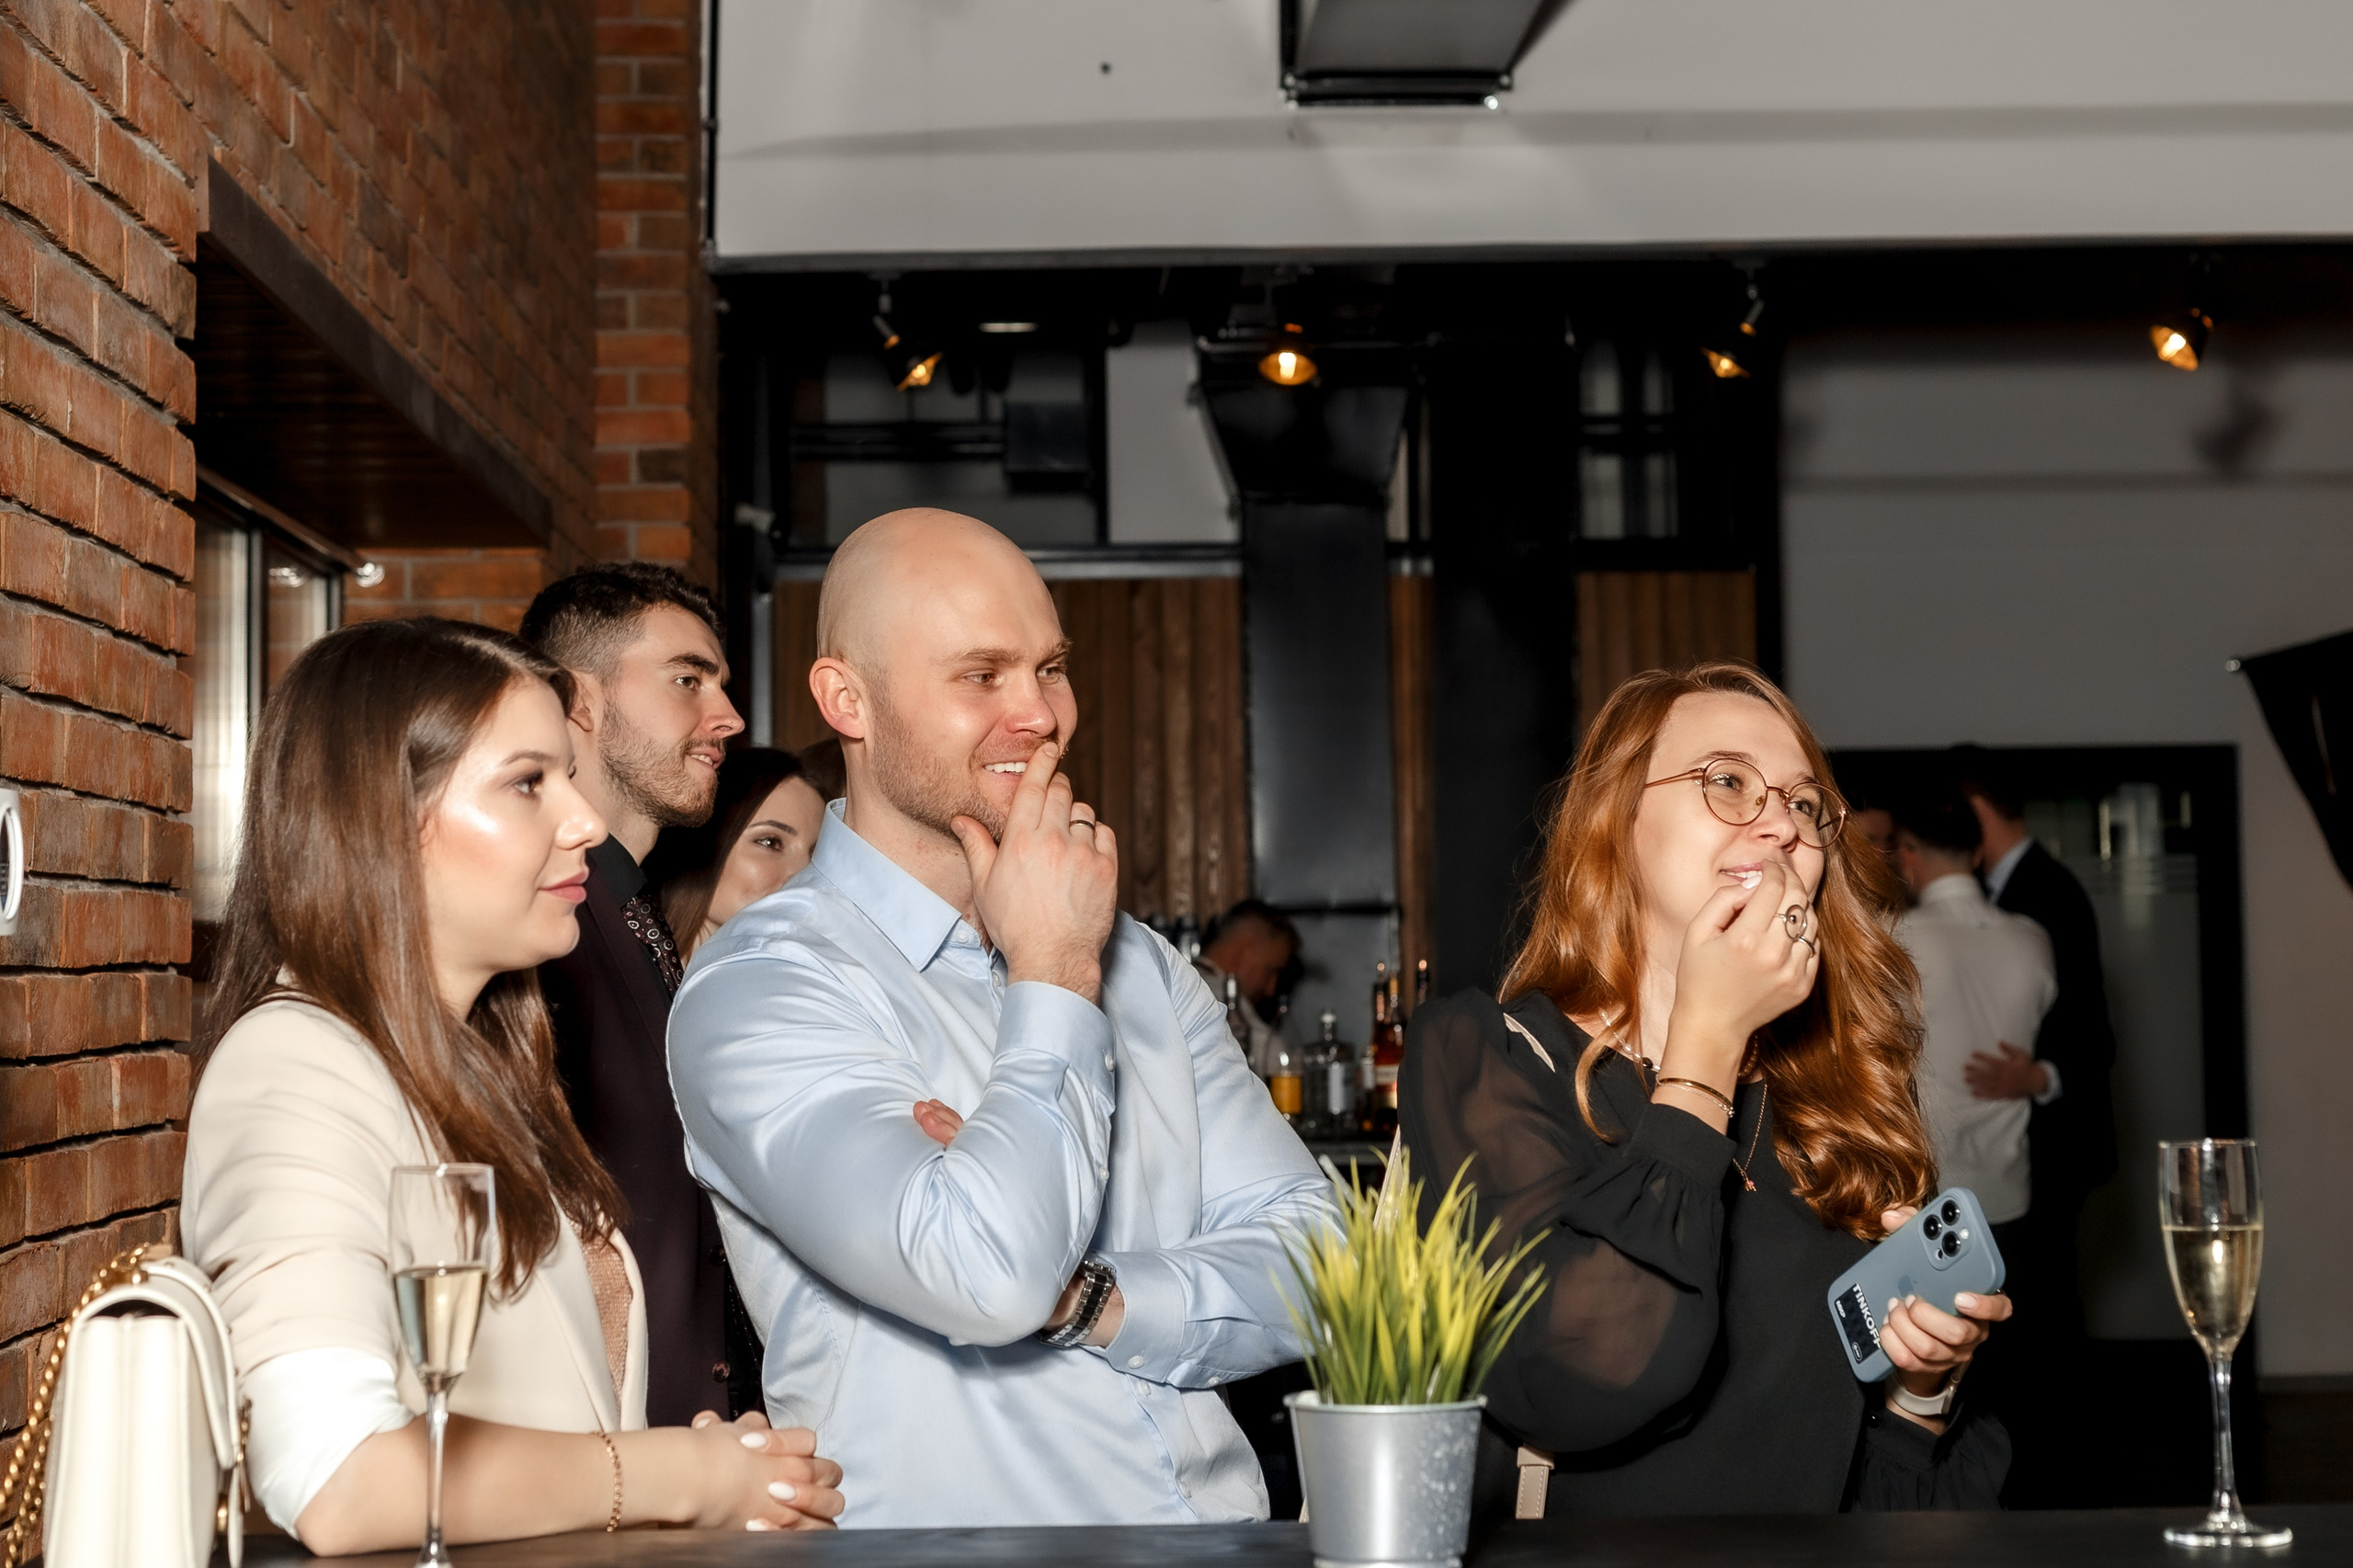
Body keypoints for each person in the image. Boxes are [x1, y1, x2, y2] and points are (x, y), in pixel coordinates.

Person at [667, 508, 1339, 1528]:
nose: (1039, 714)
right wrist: (1055, 972)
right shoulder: (761, 985)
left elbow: (1326, 1262)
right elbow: (987, 1275)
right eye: (981, 675)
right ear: (847, 699)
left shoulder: (1143, 965)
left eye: (1050, 668)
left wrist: (1089, 1298)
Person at [181, 619, 842, 1553]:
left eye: (569, 776)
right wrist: (682, 1475)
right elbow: (336, 1473)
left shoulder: (484, 1070)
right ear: (384, 815)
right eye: (530, 782)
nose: (586, 822)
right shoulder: (293, 1064)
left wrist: (707, 1471)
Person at [1401, 661, 2013, 1519]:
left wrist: (1920, 1388)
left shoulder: (1844, 1097)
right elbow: (1580, 1379)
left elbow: (1876, 1501)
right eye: (1728, 782)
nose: (1783, 825)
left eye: (1805, 804)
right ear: (1617, 821)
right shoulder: (1486, 1057)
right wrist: (1708, 1042)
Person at [521, 564, 749, 1426]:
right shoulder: (538, 932)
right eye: (688, 680)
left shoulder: (636, 909)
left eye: (721, 684)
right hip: (601, 1458)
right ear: (580, 700)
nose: (727, 717)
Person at [1952, 747, 2120, 1508]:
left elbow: (2094, 1035)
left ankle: (2051, 1494)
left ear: (1976, 807)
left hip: (2049, 1145)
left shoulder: (2049, 892)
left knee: (2043, 1329)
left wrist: (2038, 1077)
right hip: (2010, 1153)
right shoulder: (2002, 890)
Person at [1889, 787, 2056, 1233]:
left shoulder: (1894, 939)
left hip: (1926, 1194)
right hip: (2010, 1188)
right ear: (1978, 854)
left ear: (1907, 852)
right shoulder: (2033, 940)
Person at [645, 746, 829, 961]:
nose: (802, 873)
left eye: (815, 855)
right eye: (770, 842)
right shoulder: (620, 965)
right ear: (706, 839)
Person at [1194, 898, 1301, 1074]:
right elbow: (1278, 1060)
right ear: (1242, 952)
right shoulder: (1220, 996)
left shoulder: (1179, 983)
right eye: (1271, 971)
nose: (1271, 990)